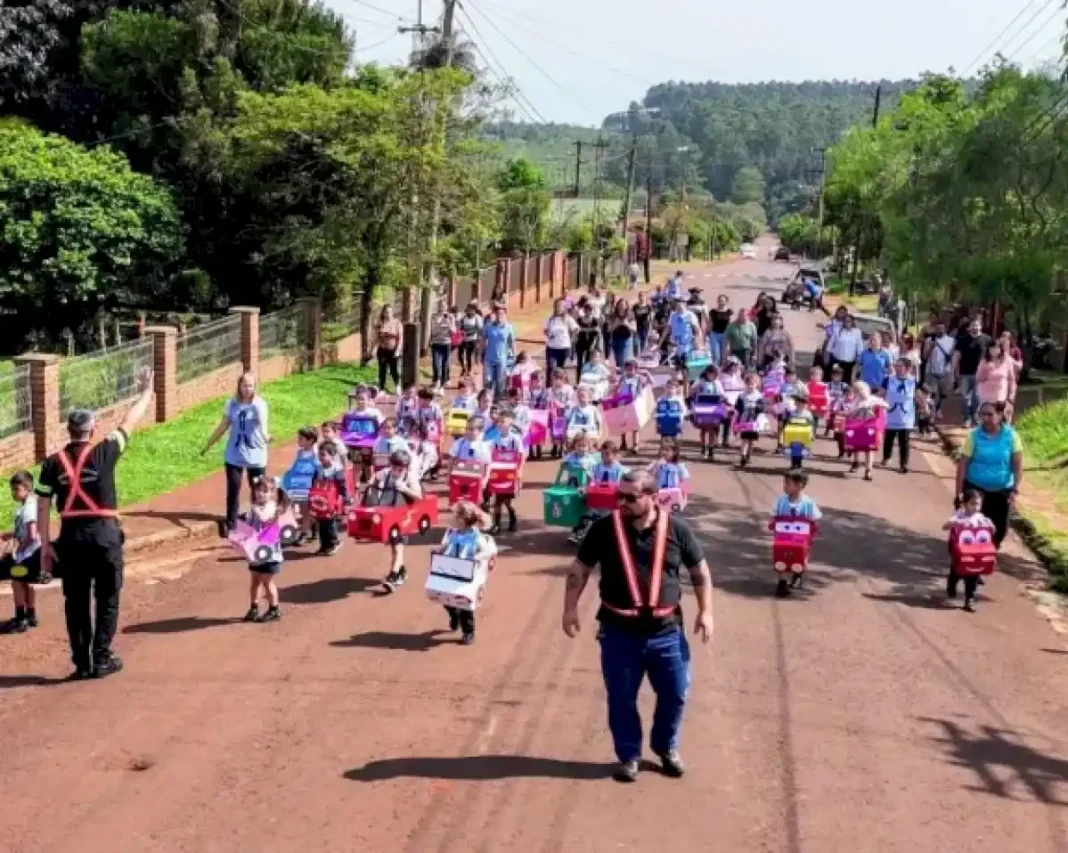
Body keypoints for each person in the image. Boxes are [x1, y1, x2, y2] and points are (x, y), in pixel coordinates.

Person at [564, 470, 713, 783]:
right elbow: (580, 568)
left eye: (630, 497)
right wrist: (570, 608)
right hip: (619, 633)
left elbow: (699, 571)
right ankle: (629, 755)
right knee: (621, 697)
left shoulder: (678, 529)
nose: (622, 502)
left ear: (653, 497)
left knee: (675, 694)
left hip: (667, 632)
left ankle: (665, 746)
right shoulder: (604, 528)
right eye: (619, 496)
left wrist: (706, 611)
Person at [36, 366, 154, 680]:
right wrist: (146, 390)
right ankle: (101, 657)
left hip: (71, 539)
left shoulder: (51, 464)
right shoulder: (106, 452)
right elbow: (131, 420)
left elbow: (43, 506)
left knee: (75, 602)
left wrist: (46, 545)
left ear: (69, 430)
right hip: (104, 536)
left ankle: (81, 662)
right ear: (92, 429)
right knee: (108, 597)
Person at [203, 372, 271, 536]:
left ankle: (260, 521)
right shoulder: (231, 404)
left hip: (256, 455)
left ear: (255, 387)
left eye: (250, 386)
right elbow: (224, 425)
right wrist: (209, 443)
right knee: (233, 488)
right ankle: (231, 524)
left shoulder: (260, 404)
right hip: (234, 453)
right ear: (239, 386)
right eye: (244, 385)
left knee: (258, 490)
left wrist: (266, 437)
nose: (247, 389)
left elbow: (262, 426)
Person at [954, 401, 1023, 550]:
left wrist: (1015, 489)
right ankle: (975, 558)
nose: (985, 418)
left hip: (1002, 489)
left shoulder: (1011, 436)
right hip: (976, 488)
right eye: (982, 414)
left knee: (1000, 529)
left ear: (1000, 415)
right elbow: (962, 465)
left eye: (990, 414)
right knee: (975, 525)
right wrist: (959, 494)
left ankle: (992, 547)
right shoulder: (973, 436)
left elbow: (1017, 465)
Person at [438, 502, 495, 644]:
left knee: (465, 604)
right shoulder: (453, 533)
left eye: (454, 516)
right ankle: (454, 614)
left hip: (467, 574)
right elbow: (446, 546)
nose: (452, 519)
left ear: (461, 520)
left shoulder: (476, 537)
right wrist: (439, 551)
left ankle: (468, 632)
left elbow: (489, 551)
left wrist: (476, 558)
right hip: (451, 570)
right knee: (445, 597)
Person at [368, 450, 424, 591]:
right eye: (394, 468)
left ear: (406, 468)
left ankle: (393, 577)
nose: (396, 471)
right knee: (393, 545)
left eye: (400, 469)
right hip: (387, 515)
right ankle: (401, 570)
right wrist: (372, 482)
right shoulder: (385, 473)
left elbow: (419, 497)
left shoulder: (410, 478)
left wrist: (405, 489)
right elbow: (374, 478)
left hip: (403, 517)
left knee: (398, 547)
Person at [0, 471, 43, 633]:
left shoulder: (29, 508)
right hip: (33, 553)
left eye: (16, 489)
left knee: (16, 583)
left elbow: (31, 535)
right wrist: (12, 534)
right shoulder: (31, 504)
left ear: (26, 488)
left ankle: (20, 619)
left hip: (28, 555)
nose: (13, 493)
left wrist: (18, 550)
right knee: (26, 583)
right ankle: (31, 615)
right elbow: (28, 531)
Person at [241, 476, 288, 623]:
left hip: (269, 553)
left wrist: (254, 510)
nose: (261, 494)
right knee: (254, 580)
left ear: (271, 493)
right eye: (258, 490)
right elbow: (248, 527)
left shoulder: (271, 507)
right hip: (255, 551)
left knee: (267, 582)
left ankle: (274, 609)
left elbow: (264, 519)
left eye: (265, 491)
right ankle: (254, 607)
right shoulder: (254, 508)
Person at [943, 488, 996, 612]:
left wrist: (991, 525)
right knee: (957, 571)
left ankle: (969, 599)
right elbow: (945, 526)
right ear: (965, 504)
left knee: (973, 574)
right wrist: (959, 522)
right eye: (972, 504)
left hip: (975, 553)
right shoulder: (959, 514)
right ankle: (952, 584)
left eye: (978, 504)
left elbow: (991, 532)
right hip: (960, 552)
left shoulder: (980, 517)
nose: (976, 507)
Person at [770, 470, 822, 597]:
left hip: (801, 538)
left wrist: (810, 525)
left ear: (800, 485)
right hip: (783, 536)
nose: (785, 486)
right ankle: (782, 582)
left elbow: (815, 517)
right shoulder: (781, 500)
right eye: (785, 483)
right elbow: (774, 513)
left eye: (788, 483)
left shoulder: (808, 503)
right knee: (781, 556)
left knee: (799, 555)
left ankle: (798, 572)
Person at [953, 318, 990, 428]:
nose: (975, 327)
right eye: (973, 325)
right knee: (965, 398)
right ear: (969, 328)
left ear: (981, 327)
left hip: (980, 374)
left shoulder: (987, 339)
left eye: (977, 325)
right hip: (965, 373)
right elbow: (956, 356)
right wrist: (953, 372)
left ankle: (976, 416)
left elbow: (993, 354)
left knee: (977, 397)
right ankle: (967, 419)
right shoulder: (962, 340)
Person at [882, 358, 917, 473]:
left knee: (904, 442)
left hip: (906, 416)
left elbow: (918, 395)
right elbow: (881, 393)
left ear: (907, 369)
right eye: (896, 366)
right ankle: (886, 457)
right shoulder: (888, 379)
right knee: (889, 439)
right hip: (891, 414)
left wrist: (925, 407)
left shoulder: (913, 381)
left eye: (900, 366)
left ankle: (903, 464)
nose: (897, 368)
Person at [922, 318, 956, 421]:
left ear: (945, 329)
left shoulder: (951, 341)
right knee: (931, 394)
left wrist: (954, 372)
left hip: (945, 371)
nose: (939, 330)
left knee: (943, 394)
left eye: (942, 328)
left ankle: (938, 409)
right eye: (937, 328)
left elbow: (953, 356)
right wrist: (930, 347)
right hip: (931, 371)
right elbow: (924, 356)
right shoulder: (929, 340)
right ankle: (931, 414)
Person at [482, 303, 516, 402]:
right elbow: (483, 340)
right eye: (498, 314)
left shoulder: (509, 327)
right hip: (489, 359)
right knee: (488, 381)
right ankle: (486, 400)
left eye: (502, 314)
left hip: (502, 359)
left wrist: (514, 356)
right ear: (495, 315)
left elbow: (512, 342)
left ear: (505, 315)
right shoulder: (489, 326)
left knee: (500, 382)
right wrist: (481, 352)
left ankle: (497, 402)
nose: (499, 316)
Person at [976, 339, 1017, 415]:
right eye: (992, 348)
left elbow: (1012, 380)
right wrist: (986, 370)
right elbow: (979, 378)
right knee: (986, 419)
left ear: (1000, 349)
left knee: (1000, 418)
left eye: (996, 348)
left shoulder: (1007, 361)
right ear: (988, 349)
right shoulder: (984, 361)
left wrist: (1011, 395)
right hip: (986, 396)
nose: (994, 350)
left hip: (1000, 396)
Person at [825, 313, 864, 384]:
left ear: (852, 322)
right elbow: (830, 345)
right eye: (846, 321)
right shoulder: (837, 331)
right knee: (834, 381)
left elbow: (860, 348)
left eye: (849, 321)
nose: (847, 323)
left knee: (846, 383)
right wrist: (827, 357)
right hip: (837, 361)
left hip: (850, 364)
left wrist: (859, 362)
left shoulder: (857, 332)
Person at [373, 305, 403, 393]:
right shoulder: (380, 324)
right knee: (382, 369)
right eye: (386, 312)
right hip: (382, 350)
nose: (388, 314)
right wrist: (373, 349)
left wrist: (398, 350)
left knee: (394, 369)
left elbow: (400, 338)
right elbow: (376, 338)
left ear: (392, 312)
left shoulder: (397, 323)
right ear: (383, 313)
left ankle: (397, 385)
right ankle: (382, 388)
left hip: (393, 350)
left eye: (390, 311)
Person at [544, 298, 579, 372]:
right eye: (557, 305)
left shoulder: (568, 319)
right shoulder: (550, 319)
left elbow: (576, 329)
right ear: (554, 306)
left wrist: (572, 338)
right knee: (550, 368)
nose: (559, 307)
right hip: (551, 347)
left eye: (561, 306)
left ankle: (562, 383)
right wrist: (548, 334)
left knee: (560, 370)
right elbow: (545, 330)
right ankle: (549, 384)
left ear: (564, 308)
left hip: (564, 347)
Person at [428, 303, 455, 390]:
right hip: (436, 342)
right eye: (441, 306)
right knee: (436, 363)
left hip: (446, 342)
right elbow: (431, 330)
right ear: (438, 307)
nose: (442, 307)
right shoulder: (434, 316)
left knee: (445, 363)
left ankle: (443, 384)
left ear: (446, 307)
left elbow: (454, 331)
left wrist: (448, 323)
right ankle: (436, 381)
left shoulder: (450, 317)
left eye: (444, 306)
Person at [574, 301, 601, 384]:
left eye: (590, 310)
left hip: (590, 344)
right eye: (586, 309)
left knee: (587, 363)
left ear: (592, 311)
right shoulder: (579, 320)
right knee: (579, 363)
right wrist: (590, 329)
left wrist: (594, 344)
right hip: (580, 343)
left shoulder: (594, 320)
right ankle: (578, 381)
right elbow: (576, 330)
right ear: (584, 310)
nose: (588, 311)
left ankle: (586, 380)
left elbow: (597, 333)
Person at [457, 301, 483, 378]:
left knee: (469, 356)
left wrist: (477, 339)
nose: (469, 311)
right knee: (460, 355)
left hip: (472, 339)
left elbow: (479, 329)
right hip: (463, 339)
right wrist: (461, 332)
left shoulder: (477, 318)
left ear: (474, 310)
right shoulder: (464, 317)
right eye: (468, 309)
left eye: (470, 310)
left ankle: (469, 370)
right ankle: (463, 368)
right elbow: (460, 327)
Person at [608, 299, 637, 368]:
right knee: (618, 361)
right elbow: (609, 329)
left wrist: (626, 324)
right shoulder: (613, 315)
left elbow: (634, 329)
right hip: (615, 340)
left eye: (623, 305)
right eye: (620, 305)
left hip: (626, 340)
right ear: (617, 306)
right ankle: (621, 376)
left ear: (626, 306)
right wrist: (616, 324)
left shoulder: (630, 314)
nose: (621, 306)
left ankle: (624, 376)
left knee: (624, 360)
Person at [708, 295, 732, 366]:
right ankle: (715, 370)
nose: (721, 302)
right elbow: (710, 322)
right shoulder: (712, 311)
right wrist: (708, 332)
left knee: (724, 355)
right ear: (717, 301)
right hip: (714, 334)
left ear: (726, 301)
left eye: (723, 300)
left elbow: (730, 324)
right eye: (720, 300)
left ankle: (722, 370)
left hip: (725, 335)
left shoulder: (729, 311)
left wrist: (730, 335)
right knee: (716, 354)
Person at [633, 291, 653, 355]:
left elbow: (651, 317)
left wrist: (650, 326)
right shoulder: (635, 307)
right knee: (635, 343)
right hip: (636, 327)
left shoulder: (648, 307)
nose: (641, 297)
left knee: (643, 342)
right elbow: (632, 316)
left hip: (645, 327)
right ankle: (636, 355)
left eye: (643, 296)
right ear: (638, 297)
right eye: (640, 296)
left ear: (645, 297)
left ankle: (641, 355)